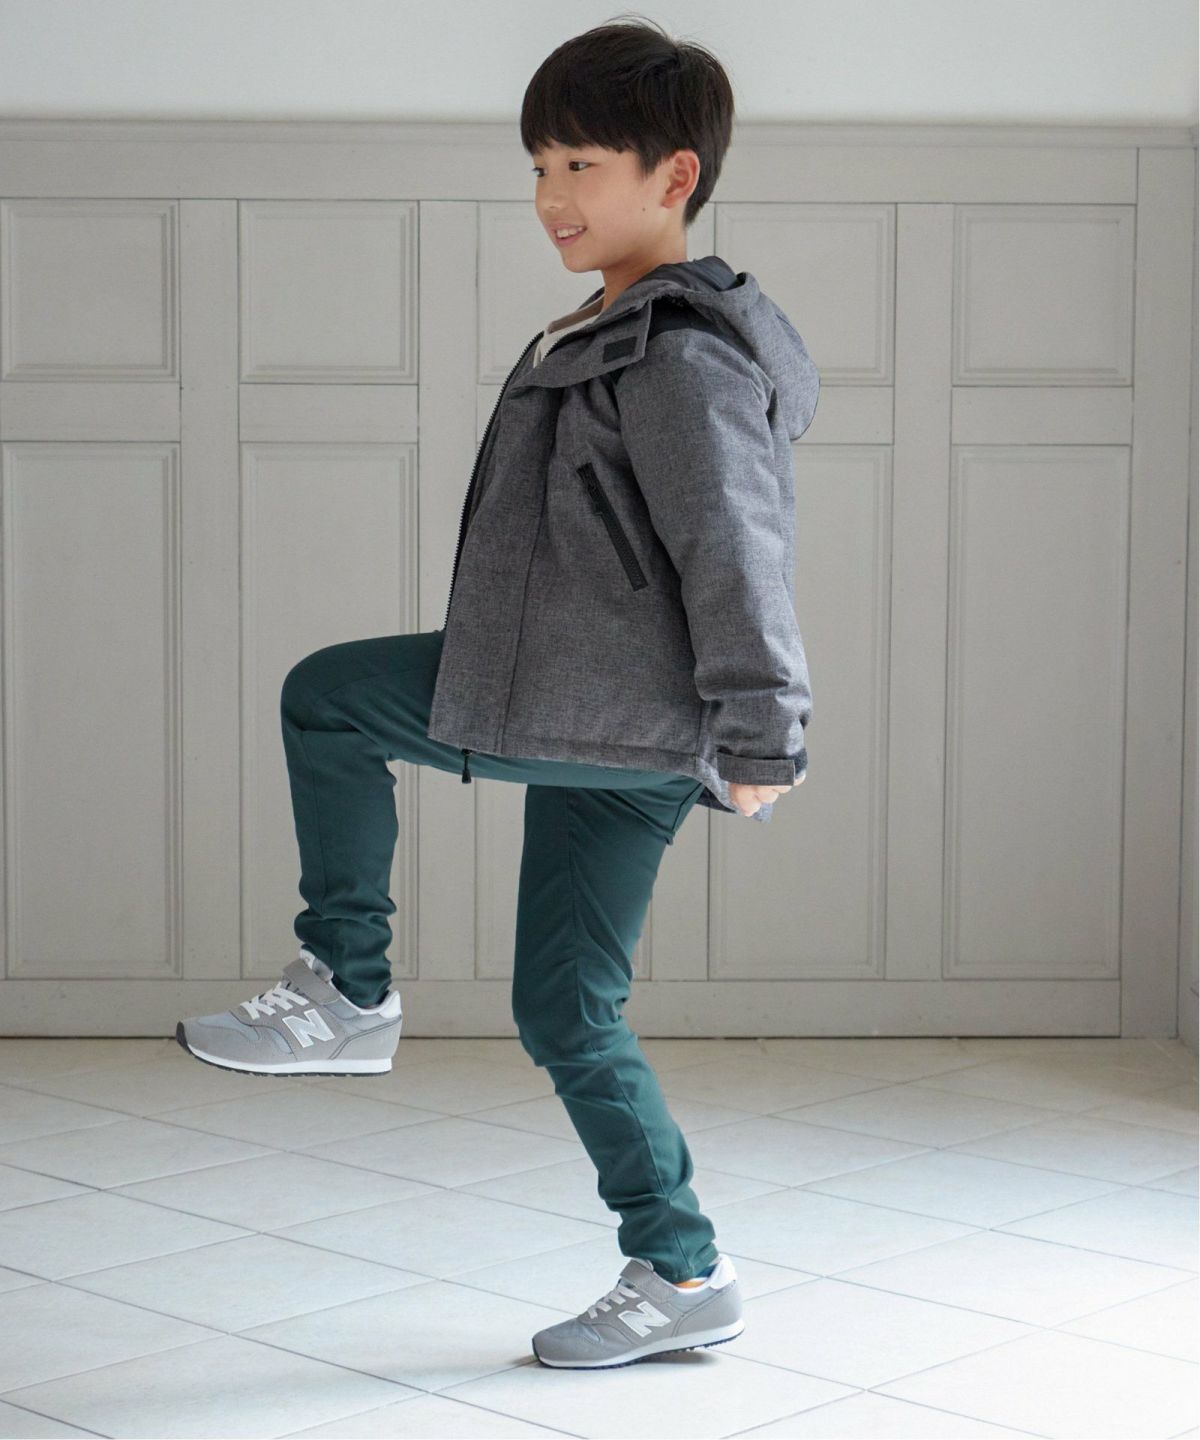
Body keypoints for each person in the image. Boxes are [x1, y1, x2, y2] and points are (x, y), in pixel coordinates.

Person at [176, 15, 819, 1370]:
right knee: (568, 1006)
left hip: (601, 703)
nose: (551, 198)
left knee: (328, 698)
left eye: (581, 166)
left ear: (676, 177)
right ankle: (683, 1270)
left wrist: (768, 728)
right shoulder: (619, 327)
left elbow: (736, 544)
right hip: (614, 717)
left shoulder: (679, 353)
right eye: (538, 167)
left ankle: (345, 986)